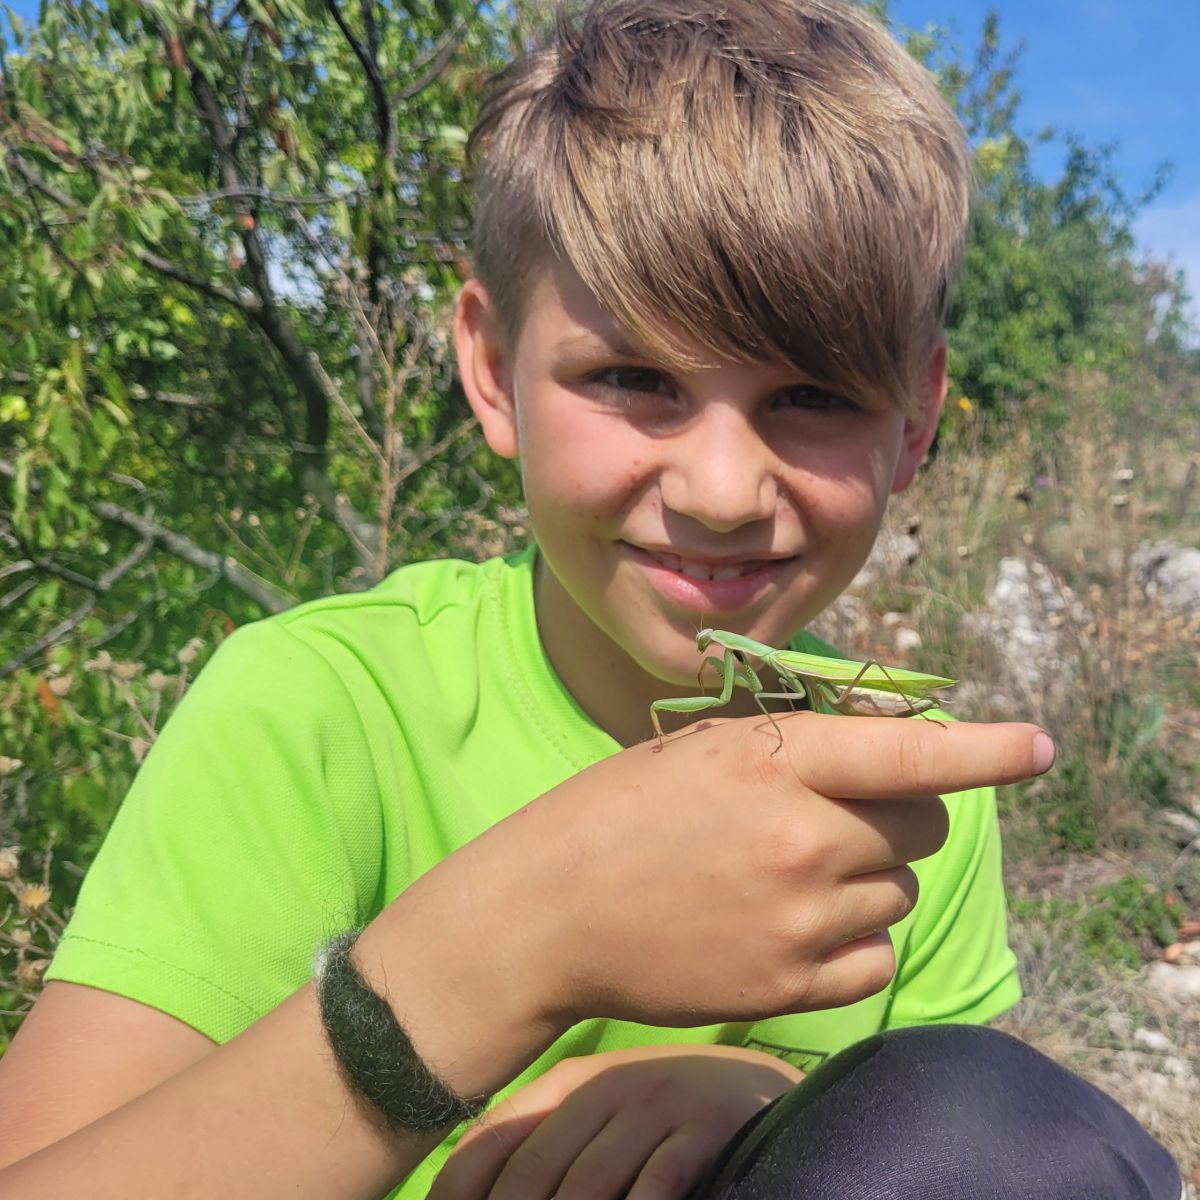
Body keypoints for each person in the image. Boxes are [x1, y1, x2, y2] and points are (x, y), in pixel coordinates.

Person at [0, 1, 1180, 1197]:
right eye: (630, 377)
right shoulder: (314, 708)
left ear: (916, 421)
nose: (722, 492)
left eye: (814, 396)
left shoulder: (909, 777)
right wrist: (508, 955)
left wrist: (777, 1100)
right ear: (489, 366)